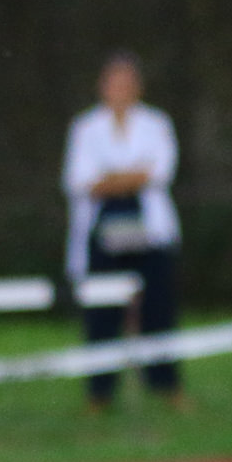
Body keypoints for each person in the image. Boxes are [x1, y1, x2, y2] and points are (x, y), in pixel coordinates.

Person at [61, 52, 184, 411]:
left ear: (138, 87)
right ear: (103, 87)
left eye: (128, 84)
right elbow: (80, 180)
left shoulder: (156, 123)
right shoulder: (86, 127)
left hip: (150, 228)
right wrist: (130, 176)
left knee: (158, 309)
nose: (121, 90)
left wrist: (110, 177)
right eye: (115, 83)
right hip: (101, 227)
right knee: (102, 311)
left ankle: (165, 385)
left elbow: (160, 171)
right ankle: (100, 393)